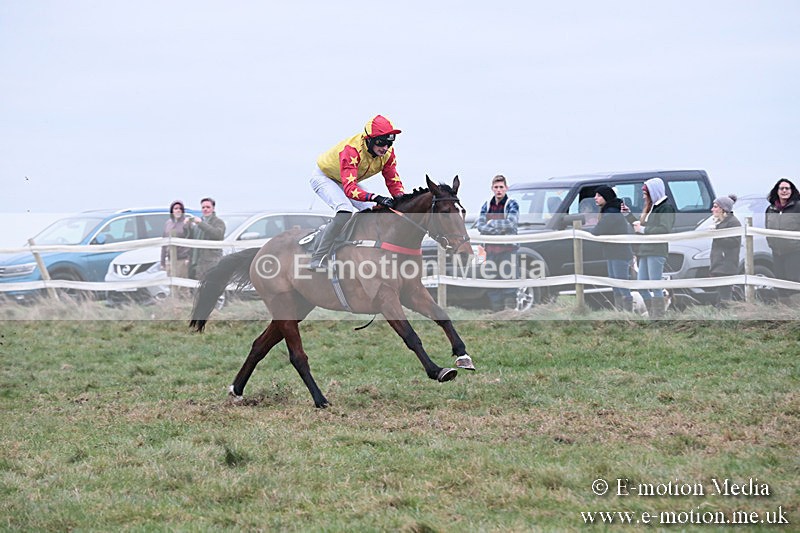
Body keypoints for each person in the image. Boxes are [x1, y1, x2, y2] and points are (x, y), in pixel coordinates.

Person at [308, 115, 405, 271]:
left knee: (375, 211)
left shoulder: (388, 154)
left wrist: (402, 201)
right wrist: (376, 197)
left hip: (345, 179)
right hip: (325, 177)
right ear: (369, 140)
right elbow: (350, 189)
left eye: (389, 143)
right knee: (345, 210)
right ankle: (318, 257)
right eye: (381, 143)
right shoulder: (352, 151)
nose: (385, 148)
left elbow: (393, 181)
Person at [629, 178, 675, 318]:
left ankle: (658, 316)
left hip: (656, 250)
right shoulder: (652, 208)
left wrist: (643, 230)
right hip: (645, 250)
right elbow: (641, 227)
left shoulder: (666, 208)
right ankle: (653, 314)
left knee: (655, 286)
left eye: (645, 193)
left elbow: (664, 228)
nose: (643, 196)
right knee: (642, 286)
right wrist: (628, 216)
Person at [476, 174, 520, 311]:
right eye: (496, 187)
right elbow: (480, 226)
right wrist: (498, 229)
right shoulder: (487, 205)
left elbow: (511, 223)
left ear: (506, 188)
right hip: (490, 251)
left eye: (501, 187)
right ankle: (497, 313)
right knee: (492, 282)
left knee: (509, 281)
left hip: (508, 250)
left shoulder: (512, 204)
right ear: (492, 188)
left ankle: (510, 313)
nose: (499, 190)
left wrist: (492, 224)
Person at [591, 185, 634, 312]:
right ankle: (620, 312)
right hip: (612, 252)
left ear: (606, 197)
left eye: (599, 195)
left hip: (619, 253)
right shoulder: (610, 210)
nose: (595, 198)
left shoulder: (611, 213)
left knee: (621, 283)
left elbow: (598, 230)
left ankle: (626, 312)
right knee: (615, 283)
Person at [765, 177, 800, 305]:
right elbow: (767, 228)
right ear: (777, 191)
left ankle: (796, 311)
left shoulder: (798, 207)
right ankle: (783, 312)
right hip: (777, 251)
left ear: (792, 190)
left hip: (794, 251)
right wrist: (771, 243)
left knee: (794, 281)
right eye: (781, 188)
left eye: (787, 188)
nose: (784, 191)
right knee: (780, 281)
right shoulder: (770, 209)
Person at [709, 194, 742, 307]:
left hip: (726, 265)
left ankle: (726, 317)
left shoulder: (733, 223)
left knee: (725, 296)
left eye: (715, 206)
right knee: (721, 295)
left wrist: (717, 235)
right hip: (719, 264)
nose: (712, 209)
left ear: (723, 209)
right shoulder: (719, 223)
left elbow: (734, 242)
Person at [188, 197, 226, 280]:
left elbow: (217, 235)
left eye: (208, 207)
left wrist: (201, 224)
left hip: (211, 262)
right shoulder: (198, 222)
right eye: (203, 207)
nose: (205, 209)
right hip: (196, 262)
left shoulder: (218, 222)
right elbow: (191, 239)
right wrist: (187, 227)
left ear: (213, 208)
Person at [160, 200, 193, 294]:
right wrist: (162, 261)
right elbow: (164, 243)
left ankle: (185, 305)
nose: (178, 210)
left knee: (183, 286)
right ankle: (175, 306)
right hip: (170, 260)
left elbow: (191, 241)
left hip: (182, 260)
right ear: (172, 211)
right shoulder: (168, 224)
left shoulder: (187, 223)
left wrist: (189, 258)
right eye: (176, 208)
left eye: (180, 209)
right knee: (172, 286)